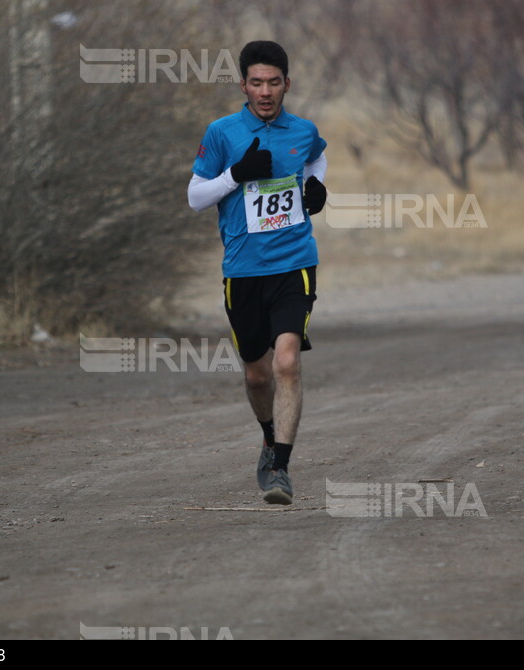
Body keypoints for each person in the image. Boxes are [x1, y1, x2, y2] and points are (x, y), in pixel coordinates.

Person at [187, 40, 328, 505]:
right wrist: (236, 174)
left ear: (287, 84)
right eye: (256, 82)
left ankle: (281, 469)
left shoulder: (302, 130)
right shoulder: (223, 132)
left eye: (273, 83)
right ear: (243, 85)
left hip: (294, 264)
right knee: (257, 376)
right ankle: (269, 438)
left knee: (287, 361)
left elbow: (316, 157)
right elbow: (194, 197)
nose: (265, 92)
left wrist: (316, 187)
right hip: (243, 271)